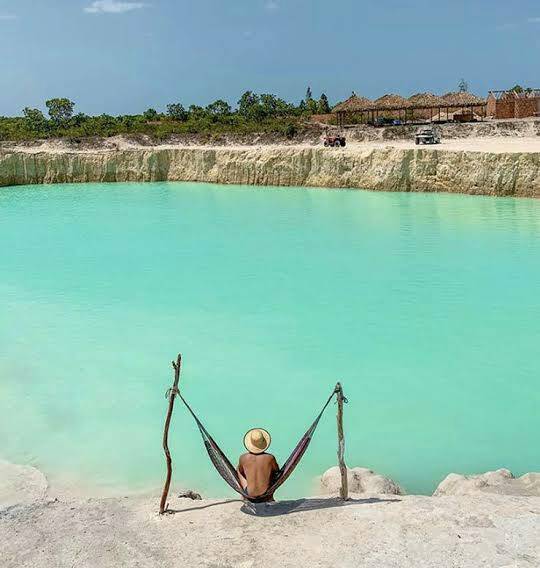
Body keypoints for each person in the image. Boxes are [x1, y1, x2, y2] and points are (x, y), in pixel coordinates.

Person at [237, 428, 279, 502]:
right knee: (273, 473)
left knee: (238, 469)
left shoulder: (243, 457)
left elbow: (241, 471)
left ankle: (243, 495)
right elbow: (277, 471)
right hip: (266, 493)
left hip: (249, 494)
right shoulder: (270, 457)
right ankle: (271, 497)